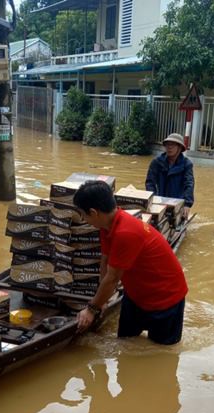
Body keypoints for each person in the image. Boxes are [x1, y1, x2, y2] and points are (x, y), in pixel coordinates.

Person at [73, 181, 188, 344]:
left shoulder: (125, 232)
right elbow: (105, 263)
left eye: (83, 215)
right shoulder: (106, 226)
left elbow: (113, 278)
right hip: (136, 295)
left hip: (165, 297)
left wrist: (91, 309)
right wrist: (101, 301)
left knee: (161, 352)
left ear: (93, 212)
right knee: (125, 343)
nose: (84, 220)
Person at [145, 133, 195, 219]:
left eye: (172, 145)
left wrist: (187, 204)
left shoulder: (186, 164)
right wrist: (153, 199)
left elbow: (189, 184)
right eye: (167, 145)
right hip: (160, 201)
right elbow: (150, 182)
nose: (169, 147)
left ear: (179, 148)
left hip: (178, 203)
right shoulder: (157, 162)